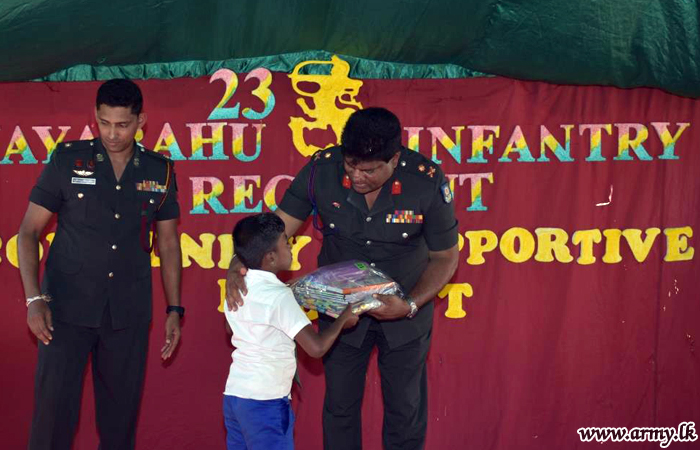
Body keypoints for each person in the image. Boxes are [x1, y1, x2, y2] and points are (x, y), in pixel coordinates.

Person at [226, 107, 459, 450]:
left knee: (405, 410)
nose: (357, 176)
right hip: (340, 312)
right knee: (340, 408)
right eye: (351, 166)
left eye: (369, 170)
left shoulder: (425, 181)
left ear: (394, 159)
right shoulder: (322, 170)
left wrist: (409, 304)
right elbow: (276, 229)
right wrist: (238, 263)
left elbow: (445, 257)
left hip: (405, 312)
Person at [17, 78, 183, 450]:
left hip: (127, 314)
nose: (112, 133)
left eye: (122, 124)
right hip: (64, 311)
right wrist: (34, 299)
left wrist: (174, 309)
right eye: (104, 122)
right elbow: (28, 232)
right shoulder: (67, 160)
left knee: (119, 424)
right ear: (95, 116)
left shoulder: (159, 170)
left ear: (141, 121)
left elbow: (169, 244)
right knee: (52, 420)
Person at [223, 213, 360, 450]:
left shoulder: (237, 288)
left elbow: (230, 326)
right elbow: (316, 348)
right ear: (271, 257)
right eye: (286, 242)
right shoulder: (279, 296)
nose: (291, 246)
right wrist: (343, 320)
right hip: (266, 401)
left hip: (235, 396)